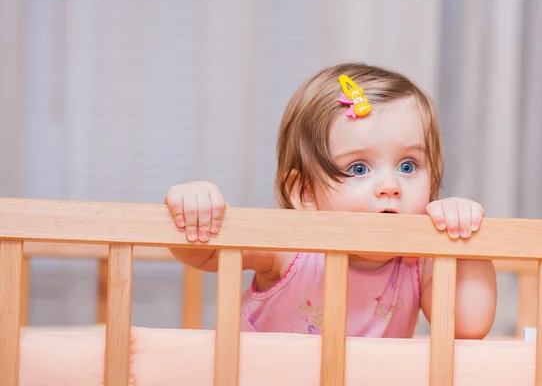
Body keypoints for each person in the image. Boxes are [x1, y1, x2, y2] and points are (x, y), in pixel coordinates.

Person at [164, 63, 497, 339]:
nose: (390, 186)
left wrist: (463, 241)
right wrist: (194, 210)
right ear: (305, 193)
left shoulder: (418, 259)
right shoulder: (291, 246)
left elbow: (469, 326)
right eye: (359, 168)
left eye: (408, 166)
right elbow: (204, 253)